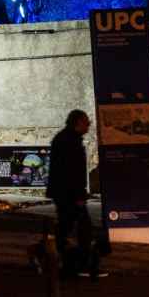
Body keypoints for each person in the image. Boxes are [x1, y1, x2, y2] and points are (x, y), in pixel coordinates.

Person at [46, 109, 103, 278]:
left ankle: (63, 260)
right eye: (86, 122)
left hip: (65, 192)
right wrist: (78, 195)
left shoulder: (67, 138)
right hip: (68, 193)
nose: (89, 125)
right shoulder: (68, 141)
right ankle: (73, 263)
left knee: (68, 227)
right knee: (78, 228)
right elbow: (69, 171)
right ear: (77, 122)